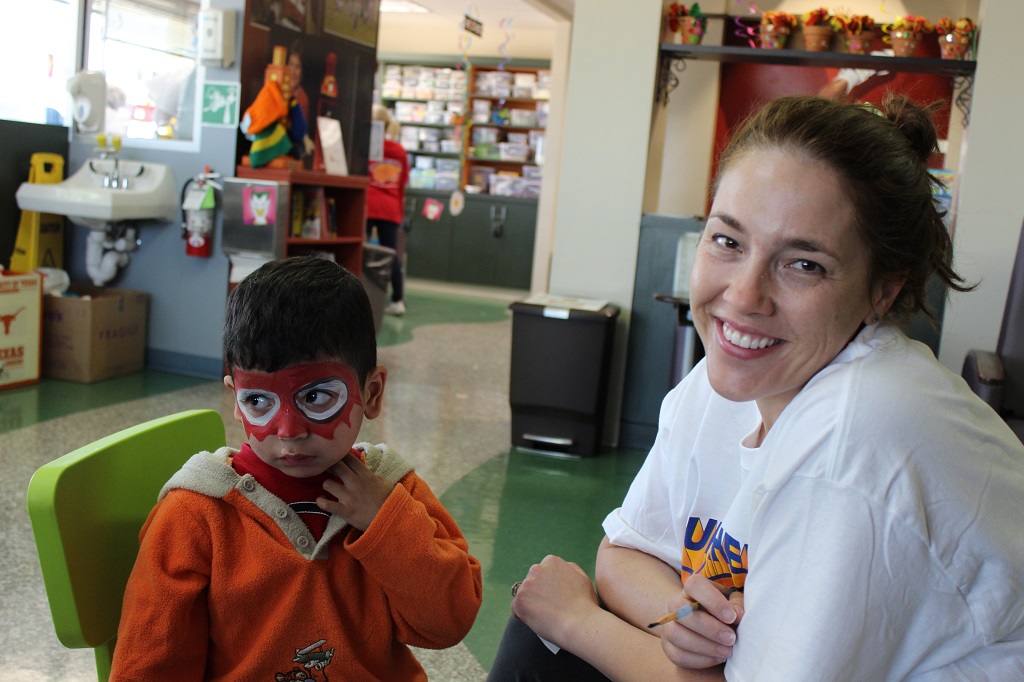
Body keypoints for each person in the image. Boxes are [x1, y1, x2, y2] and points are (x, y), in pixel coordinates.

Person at [489, 94, 1024, 681]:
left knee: (552, 632)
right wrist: (681, 618)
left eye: (804, 265)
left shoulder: (857, 434)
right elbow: (624, 552)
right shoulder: (729, 382)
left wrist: (575, 620)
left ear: (882, 292)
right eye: (728, 241)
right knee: (539, 643)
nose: (743, 296)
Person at [109, 256, 482, 681]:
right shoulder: (194, 515)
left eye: (318, 397)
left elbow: (448, 623)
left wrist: (386, 522)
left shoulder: (394, 490)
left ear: (372, 392)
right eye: (258, 401)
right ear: (236, 400)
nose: (288, 431)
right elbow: (151, 665)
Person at [367, 104, 411, 316]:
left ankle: (361, 294)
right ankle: (398, 299)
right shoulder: (399, 151)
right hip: (391, 207)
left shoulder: (367, 148)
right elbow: (402, 183)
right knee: (391, 254)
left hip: (367, 205)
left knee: (362, 251)